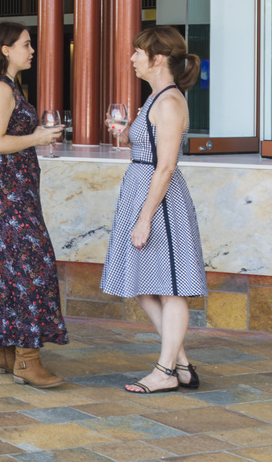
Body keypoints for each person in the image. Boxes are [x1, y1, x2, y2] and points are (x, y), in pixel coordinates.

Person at [101, 25, 208, 395]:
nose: (132, 59)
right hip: (143, 193)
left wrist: (146, 216)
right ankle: (181, 365)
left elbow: (166, 166)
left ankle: (165, 370)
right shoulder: (157, 98)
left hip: (159, 201)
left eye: (137, 52)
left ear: (157, 58)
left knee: (171, 288)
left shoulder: (168, 102)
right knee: (144, 285)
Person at [0, 21, 69, 388]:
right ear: (5, 50)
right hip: (6, 197)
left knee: (4, 269)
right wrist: (37, 137)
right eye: (26, 44)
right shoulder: (0, 90)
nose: (32, 50)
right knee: (32, 268)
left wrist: (34, 138)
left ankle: (3, 351)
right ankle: (27, 359)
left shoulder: (8, 87)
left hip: (9, 193)